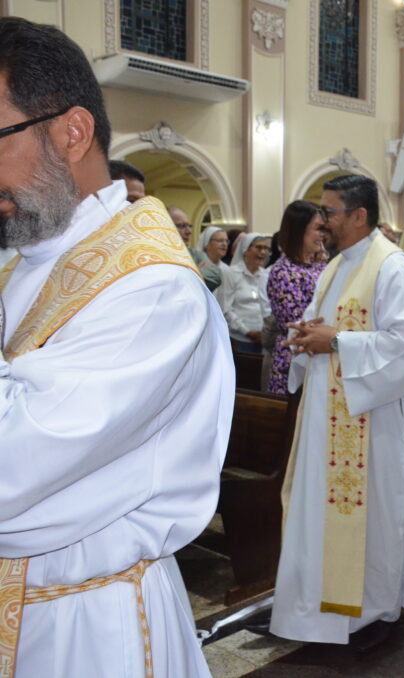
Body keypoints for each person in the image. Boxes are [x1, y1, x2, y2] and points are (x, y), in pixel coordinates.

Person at [0, 17, 233, 677]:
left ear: (71, 132)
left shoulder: (151, 290)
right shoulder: (23, 260)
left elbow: (10, 470)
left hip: (86, 627)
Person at [270, 175, 404, 645]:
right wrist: (309, 335)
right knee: (319, 512)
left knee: (373, 516)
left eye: (331, 212)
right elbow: (330, 327)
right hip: (329, 416)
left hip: (373, 422)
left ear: (359, 215)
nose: (322, 223)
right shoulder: (337, 266)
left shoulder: (393, 268)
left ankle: (366, 607)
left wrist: (336, 341)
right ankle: (315, 605)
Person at [266, 201, 327, 394]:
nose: (322, 235)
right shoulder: (283, 272)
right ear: (299, 230)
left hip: (321, 352)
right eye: (318, 229)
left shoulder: (321, 265)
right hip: (294, 358)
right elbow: (298, 325)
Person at [216, 233, 271, 354]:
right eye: (258, 247)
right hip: (239, 338)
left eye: (266, 248)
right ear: (245, 250)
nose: (263, 252)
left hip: (263, 338)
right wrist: (246, 331)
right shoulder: (231, 274)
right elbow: (225, 309)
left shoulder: (266, 275)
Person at [168, 205, 221, 292]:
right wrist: (196, 272)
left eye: (189, 226)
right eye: (182, 226)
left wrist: (185, 276)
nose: (189, 231)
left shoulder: (194, 254)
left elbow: (216, 275)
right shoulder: (157, 255)